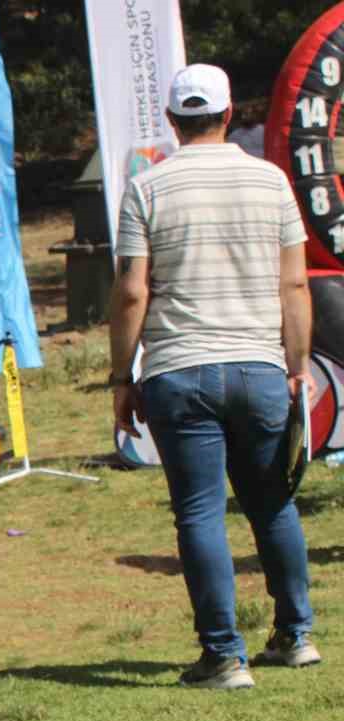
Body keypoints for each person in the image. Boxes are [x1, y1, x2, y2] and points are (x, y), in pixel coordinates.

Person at [110, 63, 317, 689]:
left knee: (199, 512)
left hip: (179, 369)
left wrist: (123, 378)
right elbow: (295, 283)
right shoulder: (271, 181)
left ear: (173, 122)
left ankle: (224, 656)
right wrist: (298, 367)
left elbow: (131, 293)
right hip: (258, 365)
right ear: (229, 114)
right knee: (272, 503)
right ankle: (295, 635)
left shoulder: (148, 188)